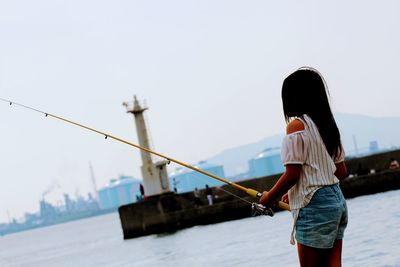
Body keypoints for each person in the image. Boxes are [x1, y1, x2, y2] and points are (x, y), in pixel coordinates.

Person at [259, 67, 348, 267]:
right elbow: (340, 172)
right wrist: (293, 193)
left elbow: (293, 174)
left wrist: (268, 198)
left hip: (314, 207)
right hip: (337, 203)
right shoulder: (328, 126)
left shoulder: (297, 126)